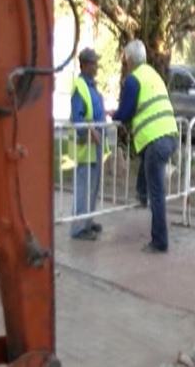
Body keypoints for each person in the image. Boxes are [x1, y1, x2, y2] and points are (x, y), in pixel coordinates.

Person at [108, 39, 178, 253]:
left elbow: (127, 111)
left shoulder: (133, 80)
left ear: (128, 60)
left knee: (157, 193)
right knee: (147, 166)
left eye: (125, 61)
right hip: (170, 135)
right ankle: (141, 193)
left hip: (154, 139)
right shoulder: (153, 75)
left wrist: (115, 115)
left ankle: (159, 241)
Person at [70, 47, 105, 241]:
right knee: (84, 185)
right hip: (85, 144)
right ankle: (78, 228)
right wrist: (91, 130)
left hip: (95, 143)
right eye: (93, 63)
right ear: (84, 65)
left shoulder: (92, 86)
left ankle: (87, 221)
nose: (96, 66)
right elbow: (77, 118)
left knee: (93, 185)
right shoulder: (80, 87)